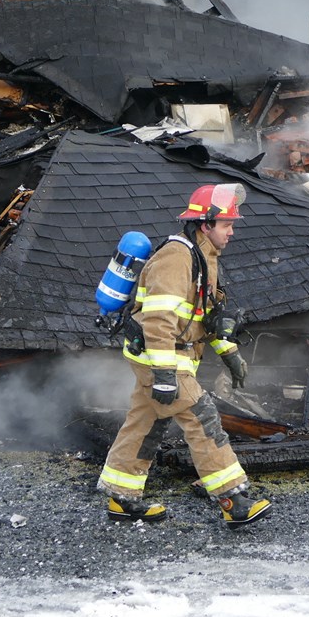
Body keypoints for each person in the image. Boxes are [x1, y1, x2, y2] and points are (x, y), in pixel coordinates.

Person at [97, 182, 272, 528]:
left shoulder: (204, 257)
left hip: (170, 356)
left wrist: (229, 353)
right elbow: (159, 320)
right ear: (206, 224)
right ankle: (232, 500)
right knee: (201, 418)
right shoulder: (177, 258)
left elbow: (206, 318)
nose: (232, 232)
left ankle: (121, 497)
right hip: (159, 356)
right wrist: (164, 375)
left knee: (145, 423)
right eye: (227, 225)